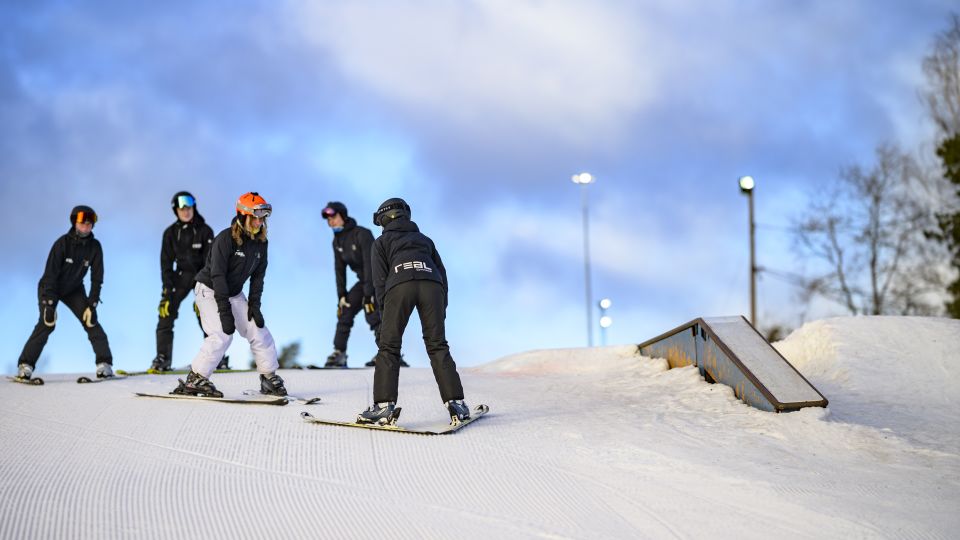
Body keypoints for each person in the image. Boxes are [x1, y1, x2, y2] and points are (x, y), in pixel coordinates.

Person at [357, 198, 469, 425]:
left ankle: (383, 407)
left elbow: (379, 281)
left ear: (383, 219)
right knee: (437, 344)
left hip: (399, 285)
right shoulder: (424, 239)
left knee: (389, 346)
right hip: (432, 285)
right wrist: (441, 307)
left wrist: (384, 315)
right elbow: (442, 274)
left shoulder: (381, 242)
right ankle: (456, 403)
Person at [172, 192, 286, 397]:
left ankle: (268, 377)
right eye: (256, 217)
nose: (260, 222)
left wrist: (255, 306)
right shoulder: (225, 239)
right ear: (243, 216)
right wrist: (224, 312)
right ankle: (195, 378)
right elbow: (217, 275)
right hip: (208, 289)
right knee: (222, 334)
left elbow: (258, 278)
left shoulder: (261, 243)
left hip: (234, 293)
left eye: (263, 218)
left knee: (258, 329)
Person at [16, 206, 114, 380]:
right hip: (50, 288)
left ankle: (104, 365)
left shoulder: (95, 247)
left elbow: (97, 278)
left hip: (74, 289)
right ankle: (25, 366)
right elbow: (50, 275)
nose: (86, 226)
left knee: (91, 321)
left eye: (90, 223)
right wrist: (49, 304)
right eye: (82, 222)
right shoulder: (62, 243)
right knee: (47, 323)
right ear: (74, 222)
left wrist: (92, 303)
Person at [321, 201, 407, 368]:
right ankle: (339, 353)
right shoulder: (337, 242)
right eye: (328, 219)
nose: (330, 221)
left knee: (373, 312)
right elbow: (339, 269)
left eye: (333, 217)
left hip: (381, 278)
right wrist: (341, 295)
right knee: (345, 310)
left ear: (343, 216)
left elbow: (371, 263)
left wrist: (369, 294)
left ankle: (389, 352)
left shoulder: (362, 234)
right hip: (364, 281)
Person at [149, 191, 217, 372]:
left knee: (207, 313)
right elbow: (165, 264)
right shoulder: (170, 233)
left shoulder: (205, 230)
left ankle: (217, 357)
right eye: (182, 208)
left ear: (194, 207)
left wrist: (206, 290)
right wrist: (166, 291)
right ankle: (163, 358)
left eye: (189, 207)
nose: (186, 211)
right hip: (180, 277)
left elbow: (212, 261)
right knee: (165, 311)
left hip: (202, 276)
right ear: (176, 211)